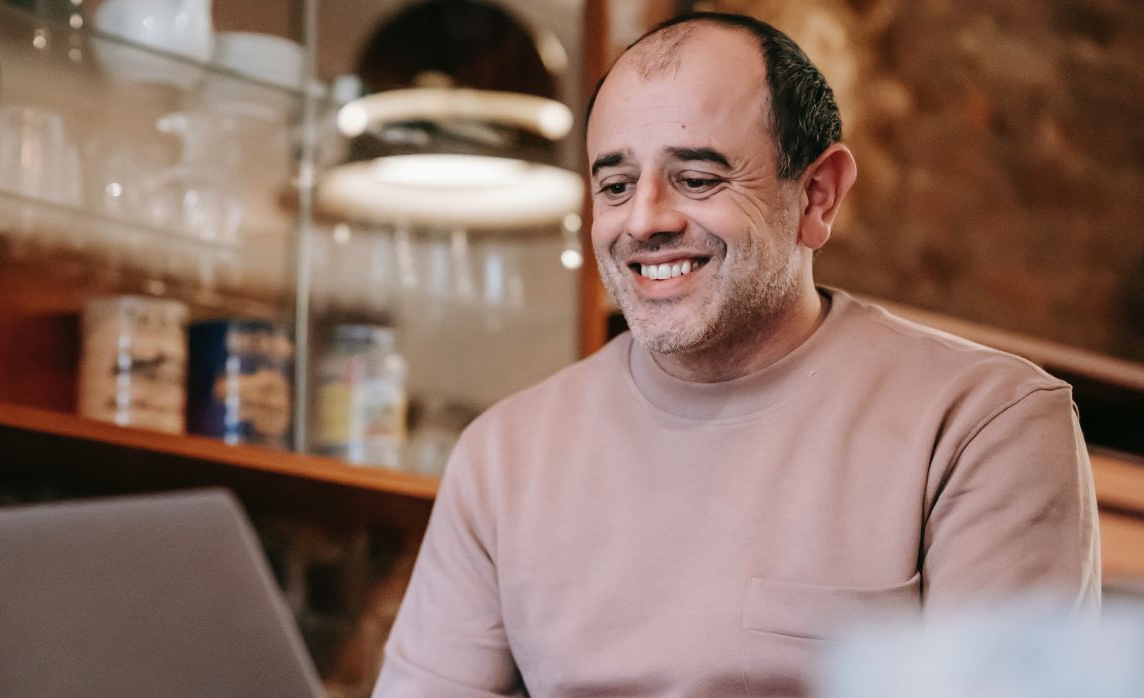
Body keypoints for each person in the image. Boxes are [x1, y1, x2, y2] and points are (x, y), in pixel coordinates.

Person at [373, 11, 1100, 697]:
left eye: (697, 179)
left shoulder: (986, 424)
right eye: (616, 186)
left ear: (817, 196)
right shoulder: (503, 458)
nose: (646, 221)